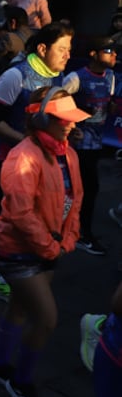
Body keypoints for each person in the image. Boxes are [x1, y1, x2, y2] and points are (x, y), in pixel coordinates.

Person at [0, 87, 86, 397]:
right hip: (19, 250)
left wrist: (68, 237)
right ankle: (21, 382)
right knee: (47, 318)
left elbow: (76, 198)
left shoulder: (66, 153)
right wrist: (51, 246)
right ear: (41, 119)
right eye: (63, 120)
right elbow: (21, 213)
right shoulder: (24, 156)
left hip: (49, 246)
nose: (69, 126)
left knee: (20, 308)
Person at [0, 22, 74, 301]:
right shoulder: (16, 76)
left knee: (31, 221)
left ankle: (1, 274)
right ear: (42, 48)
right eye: (62, 49)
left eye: (69, 50)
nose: (67, 55)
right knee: (18, 223)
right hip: (15, 162)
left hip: (47, 161)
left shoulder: (60, 77)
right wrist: (26, 141)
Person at [61, 36, 119, 255]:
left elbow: (108, 103)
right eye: (108, 51)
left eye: (114, 51)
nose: (114, 55)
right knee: (84, 189)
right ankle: (81, 233)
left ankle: (75, 230)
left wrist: (110, 107)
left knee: (84, 189)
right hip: (75, 145)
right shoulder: (76, 77)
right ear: (93, 54)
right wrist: (73, 122)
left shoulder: (110, 76)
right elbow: (56, 102)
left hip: (97, 143)